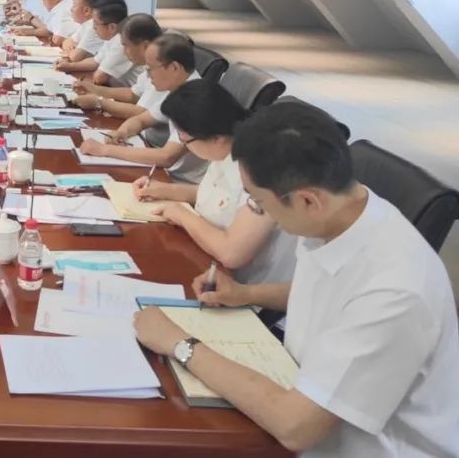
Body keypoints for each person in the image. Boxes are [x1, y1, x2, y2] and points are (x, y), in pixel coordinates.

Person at [134, 102, 459, 457]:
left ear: (307, 201)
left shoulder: (396, 292)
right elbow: (327, 292)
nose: (257, 211)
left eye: (258, 203)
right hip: (298, 380)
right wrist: (245, 292)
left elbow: (296, 427)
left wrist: (180, 344)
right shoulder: (342, 211)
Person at [133, 79, 297, 287]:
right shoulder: (227, 147)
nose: (185, 146)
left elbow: (232, 253)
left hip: (244, 287)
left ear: (216, 138)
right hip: (207, 259)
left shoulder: (261, 169)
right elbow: (220, 197)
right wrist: (166, 190)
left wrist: (182, 215)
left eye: (186, 141)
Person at [78, 32, 208, 182]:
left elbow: (167, 157)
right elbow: (140, 120)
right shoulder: (178, 90)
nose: (147, 75)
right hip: (165, 172)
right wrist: (122, 133)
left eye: (150, 69)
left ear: (174, 67)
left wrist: (104, 150)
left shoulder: (194, 100)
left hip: (183, 183)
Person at [71, 12, 160, 113]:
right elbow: (133, 94)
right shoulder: (151, 65)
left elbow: (142, 113)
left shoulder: (162, 69)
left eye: (126, 46)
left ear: (145, 46)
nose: (124, 52)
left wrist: (98, 102)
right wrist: (94, 89)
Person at [87, 0, 140, 88]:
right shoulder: (113, 37)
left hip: (136, 93)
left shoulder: (122, 42)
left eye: (96, 23)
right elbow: (95, 62)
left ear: (112, 27)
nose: (93, 27)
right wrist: (68, 66)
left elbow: (99, 78)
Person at [56, 0, 104, 72]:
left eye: (74, 6)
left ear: (86, 11)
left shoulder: (93, 26)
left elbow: (75, 57)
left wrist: (74, 49)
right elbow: (66, 42)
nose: (71, 9)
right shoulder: (86, 24)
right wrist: (75, 48)